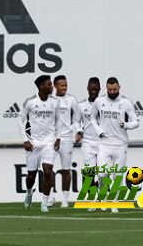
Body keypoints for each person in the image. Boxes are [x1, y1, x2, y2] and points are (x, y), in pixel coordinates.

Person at [90, 77, 139, 213]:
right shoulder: (99, 102)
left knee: (117, 175)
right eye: (109, 89)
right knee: (101, 173)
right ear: (106, 88)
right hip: (104, 143)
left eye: (114, 89)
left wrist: (127, 125)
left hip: (120, 144)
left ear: (119, 87)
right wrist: (98, 130)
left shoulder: (126, 103)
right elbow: (93, 117)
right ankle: (104, 198)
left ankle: (115, 202)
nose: (112, 92)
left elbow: (136, 121)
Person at [19, 75, 60, 213]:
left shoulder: (55, 103)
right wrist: (25, 140)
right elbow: (20, 121)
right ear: (41, 86)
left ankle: (44, 202)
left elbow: (58, 121)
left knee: (48, 172)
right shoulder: (30, 102)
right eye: (49, 85)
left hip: (49, 142)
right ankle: (29, 192)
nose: (51, 87)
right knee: (31, 176)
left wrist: (58, 138)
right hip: (33, 143)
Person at [51, 75, 80, 208]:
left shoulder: (71, 100)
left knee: (66, 169)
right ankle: (50, 197)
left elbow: (77, 118)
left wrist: (78, 131)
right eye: (62, 85)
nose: (64, 88)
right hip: (52, 139)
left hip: (67, 139)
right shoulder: (50, 100)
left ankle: (65, 200)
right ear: (55, 86)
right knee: (47, 169)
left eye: (66, 85)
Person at [74, 77, 101, 212]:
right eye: (91, 89)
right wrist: (79, 131)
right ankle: (93, 200)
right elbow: (76, 121)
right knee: (90, 172)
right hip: (88, 143)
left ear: (100, 90)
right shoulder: (81, 106)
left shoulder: (104, 105)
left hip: (103, 143)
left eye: (96, 89)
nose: (94, 92)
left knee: (103, 173)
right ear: (88, 89)